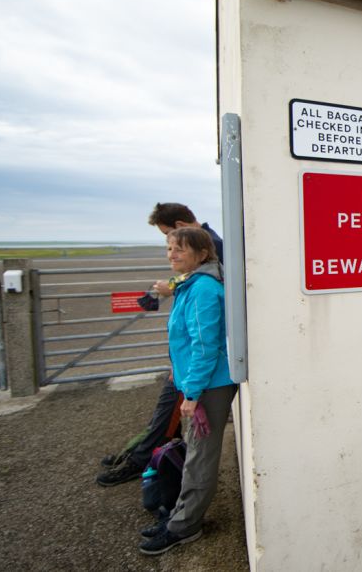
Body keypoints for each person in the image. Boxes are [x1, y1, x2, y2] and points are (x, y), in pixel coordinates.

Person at [95, 203, 224, 487]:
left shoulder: (210, 246)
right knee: (166, 412)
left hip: (198, 364)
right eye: (169, 247)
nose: (171, 252)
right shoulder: (205, 247)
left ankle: (142, 461)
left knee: (169, 412)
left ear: (180, 225)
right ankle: (143, 455)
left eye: (170, 238)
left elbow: (213, 292)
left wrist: (173, 287)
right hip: (187, 360)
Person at [140, 227, 237, 555]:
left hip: (209, 385)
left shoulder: (204, 289)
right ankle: (180, 515)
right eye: (169, 249)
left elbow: (205, 345)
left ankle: (184, 526)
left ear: (202, 254)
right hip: (198, 382)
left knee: (199, 457)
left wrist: (192, 393)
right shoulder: (189, 285)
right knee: (196, 452)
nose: (172, 255)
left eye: (179, 249)